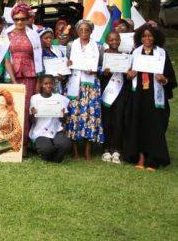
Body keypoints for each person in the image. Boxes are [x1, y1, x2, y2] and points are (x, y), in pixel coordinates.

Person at [123, 24, 175, 170]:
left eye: (150, 35)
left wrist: (163, 79)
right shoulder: (135, 53)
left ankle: (153, 158)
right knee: (137, 124)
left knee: (155, 126)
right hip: (138, 95)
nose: (147, 38)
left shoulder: (162, 54)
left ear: (155, 37)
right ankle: (140, 157)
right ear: (140, 37)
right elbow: (126, 75)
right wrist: (129, 75)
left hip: (154, 96)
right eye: (144, 36)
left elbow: (170, 78)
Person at [65, 20, 105, 161]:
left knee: (90, 116)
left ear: (91, 31)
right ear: (76, 31)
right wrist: (67, 65)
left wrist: (95, 71)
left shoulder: (99, 47)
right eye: (80, 30)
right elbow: (66, 64)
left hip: (91, 87)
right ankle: (75, 150)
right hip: (75, 84)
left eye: (86, 30)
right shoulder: (71, 45)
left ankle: (88, 150)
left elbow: (102, 66)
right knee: (73, 115)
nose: (83, 32)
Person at [4, 2, 43, 144]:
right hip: (11, 75)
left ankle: (24, 143)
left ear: (28, 19)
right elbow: (4, 57)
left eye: (22, 19)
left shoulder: (34, 35)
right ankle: (10, 141)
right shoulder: (6, 34)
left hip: (29, 76)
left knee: (26, 108)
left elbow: (38, 59)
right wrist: (12, 80)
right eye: (16, 19)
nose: (19, 21)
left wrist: (38, 81)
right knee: (10, 108)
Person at [99, 31, 129, 164]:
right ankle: (106, 149)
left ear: (120, 41)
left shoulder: (125, 56)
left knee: (118, 120)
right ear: (107, 41)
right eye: (111, 40)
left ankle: (116, 149)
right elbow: (97, 73)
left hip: (120, 92)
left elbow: (128, 77)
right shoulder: (103, 56)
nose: (114, 42)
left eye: (117, 39)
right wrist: (104, 73)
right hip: (106, 92)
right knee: (106, 120)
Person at [29, 75, 71, 163]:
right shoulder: (35, 98)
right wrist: (32, 114)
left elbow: (64, 120)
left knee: (65, 144)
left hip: (56, 130)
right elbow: (31, 121)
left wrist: (63, 115)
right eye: (46, 84)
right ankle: (47, 153)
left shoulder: (59, 98)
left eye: (50, 83)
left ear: (54, 85)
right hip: (41, 132)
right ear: (41, 84)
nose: (48, 86)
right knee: (46, 149)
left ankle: (56, 158)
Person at [40, 28, 67, 94]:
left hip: (56, 83)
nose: (49, 40)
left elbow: (64, 67)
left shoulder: (58, 51)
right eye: (46, 38)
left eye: (51, 38)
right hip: (43, 84)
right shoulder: (38, 52)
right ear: (40, 39)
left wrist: (63, 75)